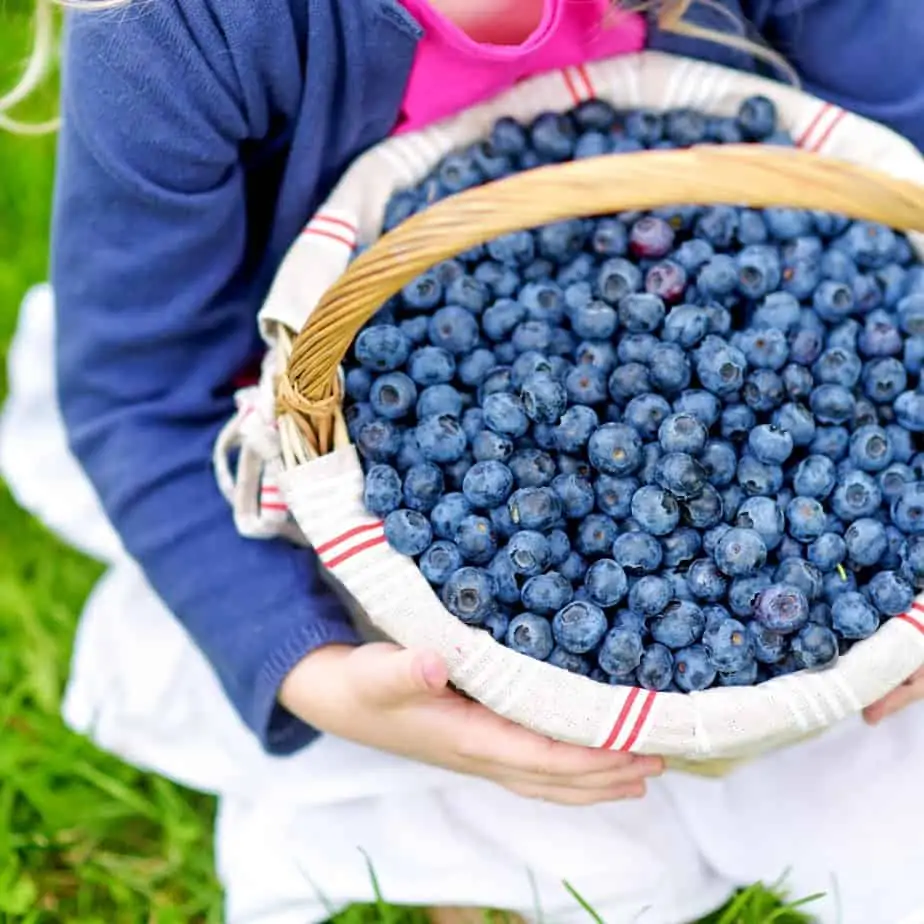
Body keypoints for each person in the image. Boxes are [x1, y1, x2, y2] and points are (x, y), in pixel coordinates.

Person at [2, 0, 924, 922]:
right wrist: (314, 677)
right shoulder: (178, 34)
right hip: (305, 429)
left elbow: (900, 160)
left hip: (678, 362)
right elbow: (140, 398)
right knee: (434, 791)